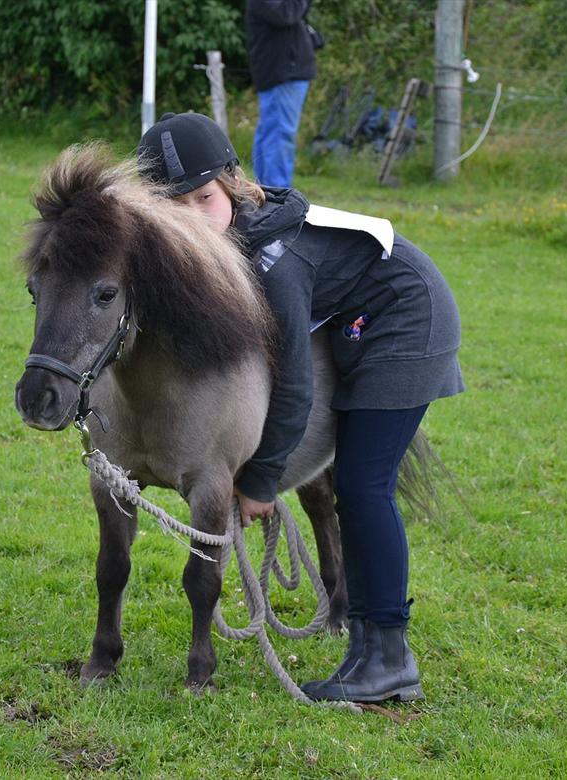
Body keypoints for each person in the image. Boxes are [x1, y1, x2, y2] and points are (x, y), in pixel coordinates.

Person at [136, 112, 464, 703]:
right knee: (359, 490)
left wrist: (260, 479)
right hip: (362, 325)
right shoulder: (222, 245)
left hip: (408, 318)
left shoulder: (275, 263)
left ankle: (388, 656)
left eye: (203, 198)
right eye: (172, 208)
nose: (193, 219)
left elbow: (292, 385)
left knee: (364, 489)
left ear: (233, 185)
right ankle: (368, 648)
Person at [245, 0, 318, 188]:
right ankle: (278, 194)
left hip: (284, 71)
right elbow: (285, 15)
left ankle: (265, 191)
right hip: (283, 72)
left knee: (271, 132)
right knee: (279, 134)